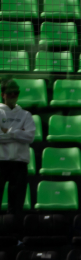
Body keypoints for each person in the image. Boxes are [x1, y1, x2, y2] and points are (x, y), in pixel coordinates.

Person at [0, 79, 35, 220]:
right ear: (3, 94)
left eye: (16, 93)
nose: (14, 95)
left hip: (19, 164)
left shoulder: (26, 115)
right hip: (1, 162)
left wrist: (8, 131)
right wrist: (19, 133)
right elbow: (24, 136)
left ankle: (15, 236)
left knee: (17, 205)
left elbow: (30, 137)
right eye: (10, 93)